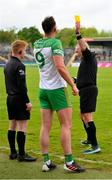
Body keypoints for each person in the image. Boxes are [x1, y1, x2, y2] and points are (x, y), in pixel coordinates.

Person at [34, 16, 85, 172]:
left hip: (43, 89)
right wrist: (73, 86)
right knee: (66, 125)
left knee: (45, 126)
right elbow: (60, 67)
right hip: (56, 89)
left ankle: (46, 161)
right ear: (54, 28)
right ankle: (69, 162)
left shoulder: (36, 43)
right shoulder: (55, 43)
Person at [4, 40, 37, 162]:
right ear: (20, 50)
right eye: (25, 50)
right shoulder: (19, 65)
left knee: (12, 125)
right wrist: (27, 102)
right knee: (22, 126)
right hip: (18, 99)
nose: (26, 52)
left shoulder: (7, 64)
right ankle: (22, 154)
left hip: (10, 98)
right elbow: (22, 86)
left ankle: (13, 152)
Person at [74, 21, 101, 154]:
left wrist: (78, 34)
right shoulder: (85, 61)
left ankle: (95, 145)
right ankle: (90, 139)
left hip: (89, 91)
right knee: (82, 114)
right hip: (85, 90)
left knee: (88, 116)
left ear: (83, 48)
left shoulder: (89, 56)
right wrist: (72, 80)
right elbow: (82, 79)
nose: (76, 51)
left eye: (77, 49)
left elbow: (83, 46)